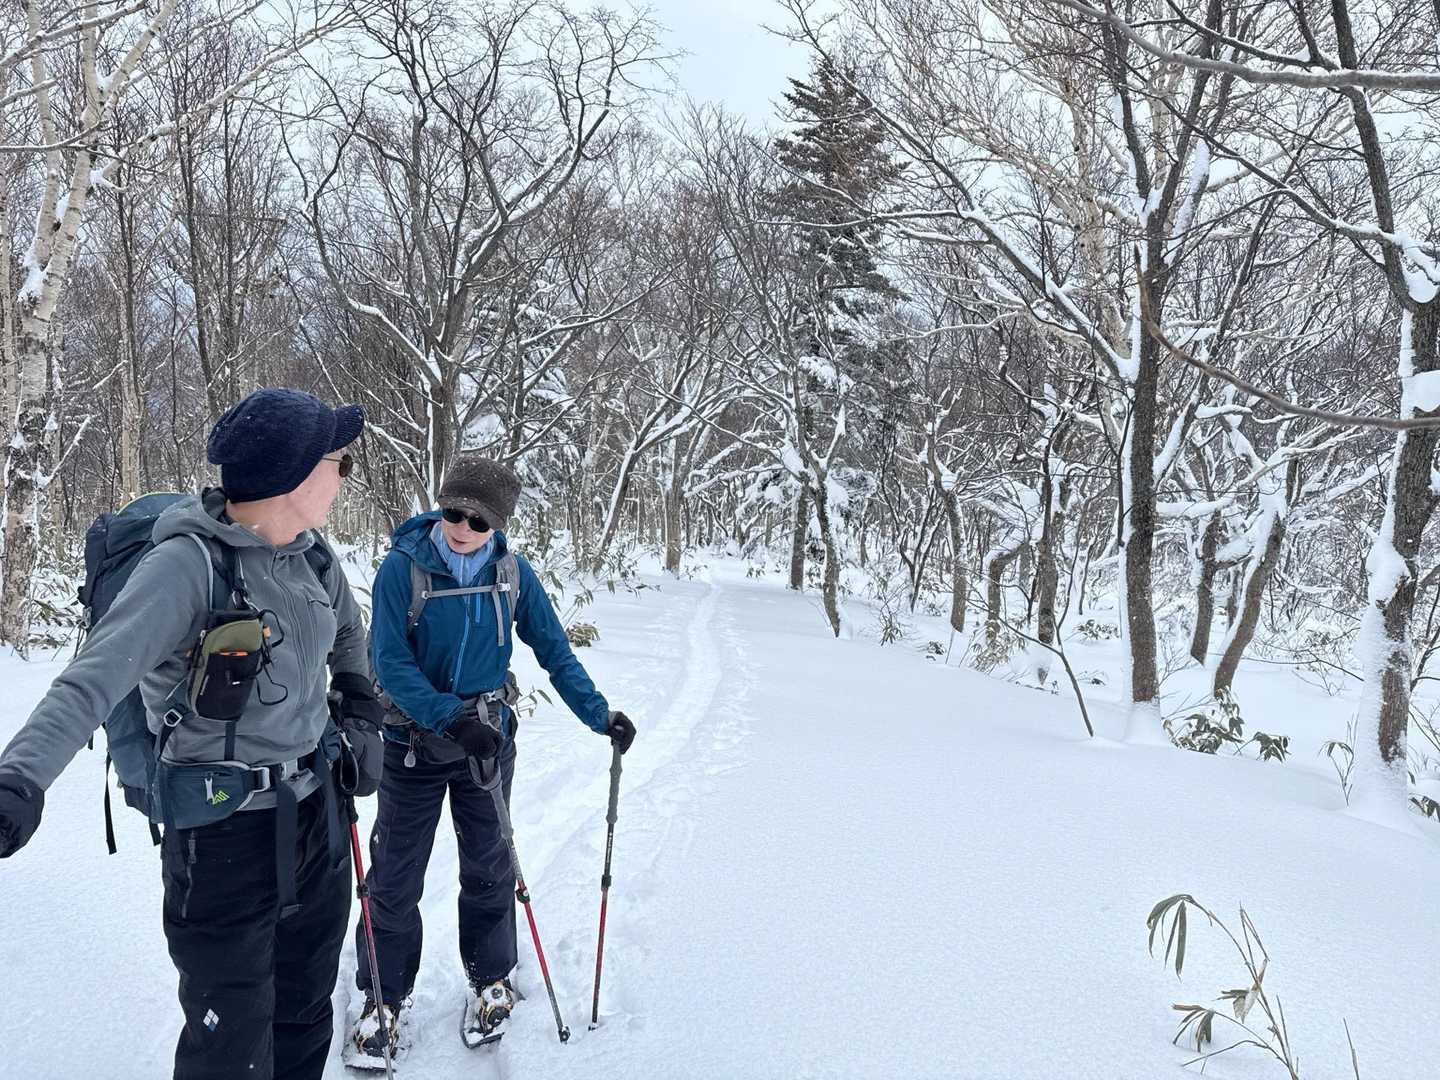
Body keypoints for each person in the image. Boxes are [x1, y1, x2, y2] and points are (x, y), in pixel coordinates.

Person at [0, 388, 384, 1080]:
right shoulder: (184, 568)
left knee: (305, 1013)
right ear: (294, 478)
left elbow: (347, 632)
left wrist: (359, 705)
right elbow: (91, 680)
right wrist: (19, 778)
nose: (344, 476)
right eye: (340, 462)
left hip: (317, 817)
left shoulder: (313, 554)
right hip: (223, 836)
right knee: (228, 1046)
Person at [347, 453, 636, 1061]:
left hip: (486, 741)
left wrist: (599, 714)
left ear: (498, 525)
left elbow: (554, 651)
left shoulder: (512, 574)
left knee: (489, 865)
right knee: (395, 875)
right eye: (454, 513)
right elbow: (390, 663)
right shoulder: (403, 568)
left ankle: (491, 979)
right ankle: (382, 998)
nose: (463, 527)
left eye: (479, 521)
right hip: (412, 745)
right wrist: (447, 716)